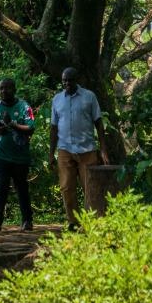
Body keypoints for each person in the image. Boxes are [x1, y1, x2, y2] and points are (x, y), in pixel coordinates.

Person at [49, 67, 110, 231]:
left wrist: (103, 149)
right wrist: (51, 153)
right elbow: (53, 128)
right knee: (66, 186)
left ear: (77, 80)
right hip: (65, 149)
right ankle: (73, 221)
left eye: (70, 80)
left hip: (87, 149)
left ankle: (91, 221)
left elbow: (98, 123)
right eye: (64, 80)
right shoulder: (57, 100)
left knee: (89, 187)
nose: (67, 83)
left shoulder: (89, 97)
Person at [0, 78, 35, 232]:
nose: (3, 91)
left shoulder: (24, 107)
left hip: (20, 157)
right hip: (1, 156)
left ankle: (27, 221)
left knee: (22, 188)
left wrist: (12, 124)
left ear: (14, 89)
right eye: (0, 88)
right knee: (0, 188)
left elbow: (31, 128)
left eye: (6, 88)